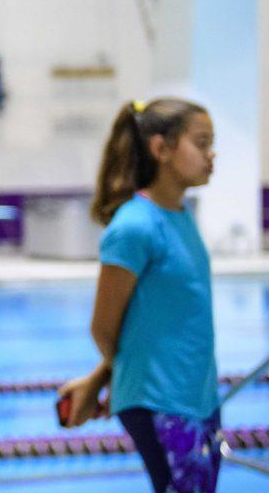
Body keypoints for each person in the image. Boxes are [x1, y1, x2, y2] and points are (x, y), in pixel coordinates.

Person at [58, 98, 219, 493]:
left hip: (197, 396)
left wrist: (99, 378)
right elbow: (104, 328)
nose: (211, 155)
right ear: (160, 149)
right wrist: (122, 380)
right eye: (201, 143)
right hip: (161, 403)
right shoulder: (134, 227)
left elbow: (155, 323)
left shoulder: (179, 216)